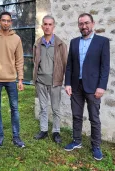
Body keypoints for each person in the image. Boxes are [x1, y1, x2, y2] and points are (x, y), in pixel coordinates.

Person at [64, 13, 110, 161]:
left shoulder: (102, 42)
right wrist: (68, 83)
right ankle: (76, 141)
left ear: (93, 23)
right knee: (76, 115)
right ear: (78, 25)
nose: (84, 26)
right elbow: (70, 65)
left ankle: (96, 146)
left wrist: (101, 86)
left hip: (94, 87)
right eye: (81, 24)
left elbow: (105, 67)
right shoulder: (74, 42)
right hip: (76, 86)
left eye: (86, 23)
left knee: (94, 118)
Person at [0, 11, 25, 148]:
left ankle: (16, 137)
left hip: (11, 79)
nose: (6, 23)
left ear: (11, 22)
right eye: (3, 20)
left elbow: (19, 60)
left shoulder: (16, 39)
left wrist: (20, 79)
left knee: (15, 108)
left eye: (8, 21)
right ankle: (0, 137)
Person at [32, 15, 67, 143]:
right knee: (43, 107)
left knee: (56, 108)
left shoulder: (60, 44)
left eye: (50, 24)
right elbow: (35, 62)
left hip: (55, 82)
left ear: (53, 26)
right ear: (42, 26)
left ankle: (56, 132)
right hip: (40, 81)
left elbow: (65, 64)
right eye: (45, 24)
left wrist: (66, 81)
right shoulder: (37, 43)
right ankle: (44, 130)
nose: (47, 27)